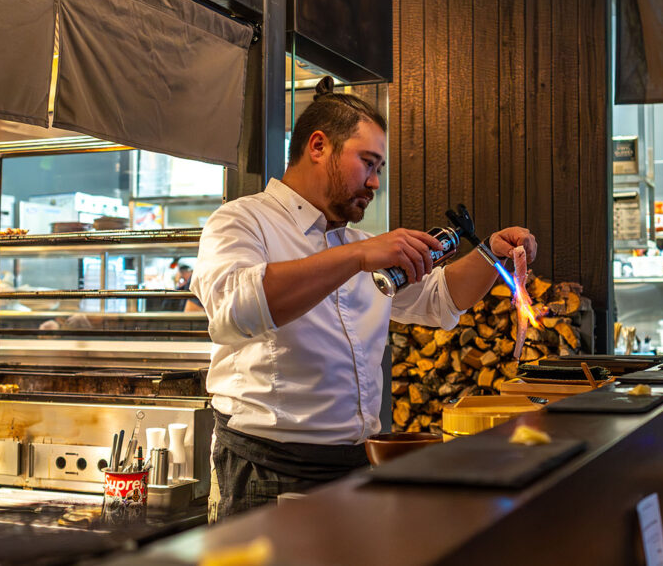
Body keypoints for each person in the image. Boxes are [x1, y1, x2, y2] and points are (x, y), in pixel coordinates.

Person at [191, 76, 537, 520]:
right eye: (367, 163)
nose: (374, 182)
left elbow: (438, 299)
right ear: (318, 146)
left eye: (379, 170)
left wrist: (493, 253)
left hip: (356, 465)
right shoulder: (241, 221)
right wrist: (355, 255)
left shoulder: (357, 242)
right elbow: (234, 310)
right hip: (267, 469)